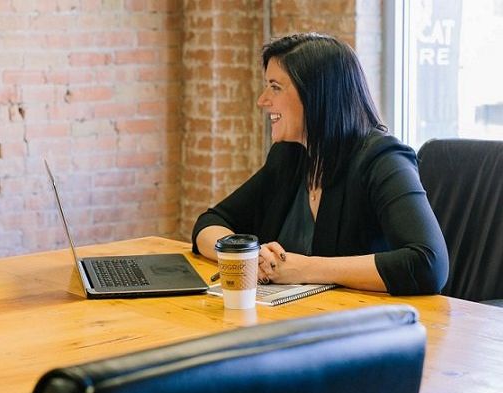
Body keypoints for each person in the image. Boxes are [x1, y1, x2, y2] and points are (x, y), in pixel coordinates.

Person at [192, 33, 448, 295]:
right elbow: (211, 221)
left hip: (365, 324)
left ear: (316, 95)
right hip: (301, 319)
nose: (262, 100)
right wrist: (247, 257)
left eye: (275, 87)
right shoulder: (289, 156)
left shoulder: (383, 159)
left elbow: (428, 264)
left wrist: (303, 269)